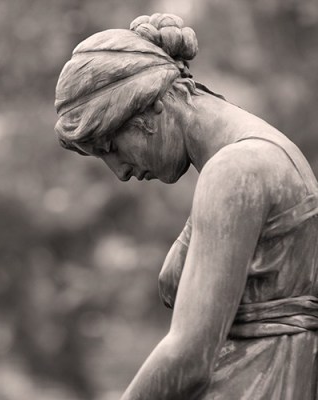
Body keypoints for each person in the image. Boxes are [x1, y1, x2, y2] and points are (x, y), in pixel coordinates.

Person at [54, 13, 318, 400]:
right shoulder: (248, 161)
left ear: (153, 108)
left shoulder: (237, 170)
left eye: (111, 147)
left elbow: (189, 357)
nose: (120, 172)